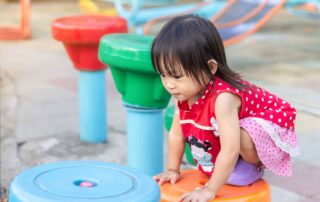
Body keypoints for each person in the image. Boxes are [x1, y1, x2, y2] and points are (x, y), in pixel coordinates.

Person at [151, 14, 299, 202]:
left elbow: (230, 148)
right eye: (163, 75)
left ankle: (248, 166)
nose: (169, 84)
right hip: (236, 131)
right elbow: (176, 134)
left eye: (177, 76)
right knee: (220, 133)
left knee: (241, 135)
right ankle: (231, 166)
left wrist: (210, 189)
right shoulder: (184, 92)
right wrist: (173, 169)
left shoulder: (224, 98)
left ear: (210, 68)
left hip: (270, 123)